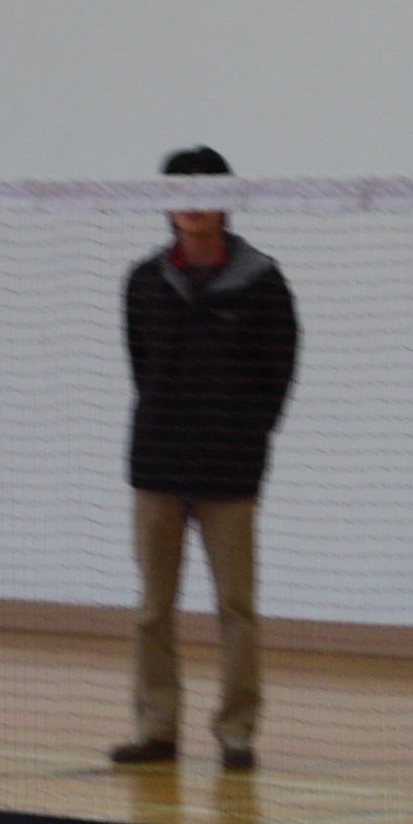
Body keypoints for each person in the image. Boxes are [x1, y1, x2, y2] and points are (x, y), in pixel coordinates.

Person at [111, 147, 300, 773]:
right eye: (181, 191)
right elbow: (142, 366)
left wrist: (243, 435)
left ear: (226, 198)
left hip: (230, 471)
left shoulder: (262, 280)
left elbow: (278, 372)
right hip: (157, 468)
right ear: (165, 203)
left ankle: (237, 732)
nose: (193, 203)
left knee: (236, 609)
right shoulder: (143, 282)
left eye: (205, 189)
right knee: (152, 610)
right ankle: (156, 728)